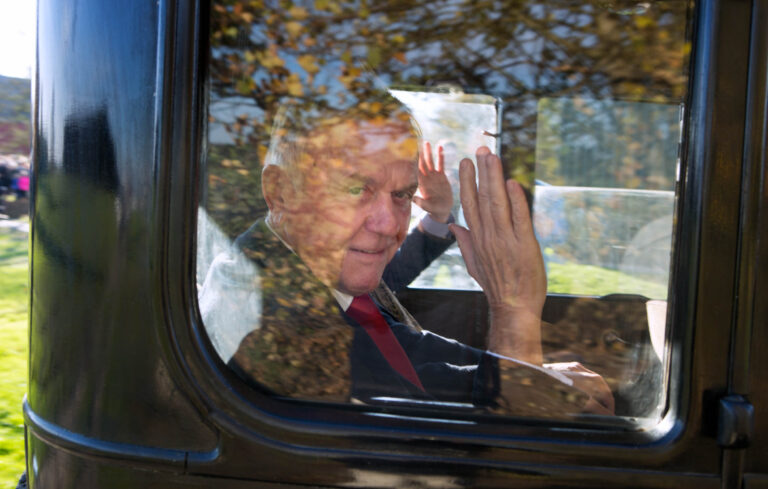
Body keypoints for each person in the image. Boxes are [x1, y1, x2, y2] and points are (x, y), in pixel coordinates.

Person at [200, 98, 614, 417]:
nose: (387, 224)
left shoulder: (309, 265)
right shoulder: (269, 318)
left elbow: (403, 349)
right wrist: (514, 316)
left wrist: (533, 375)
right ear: (281, 192)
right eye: (355, 189)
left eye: (401, 194)